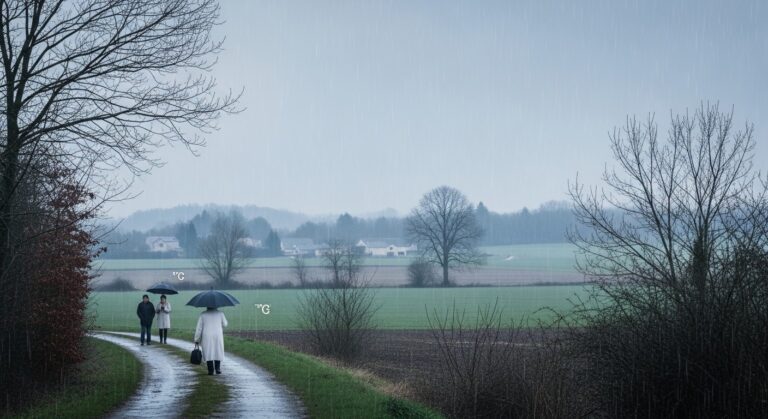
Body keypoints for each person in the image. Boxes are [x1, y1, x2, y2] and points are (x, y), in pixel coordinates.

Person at [194, 307, 228, 375]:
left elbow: (199, 328)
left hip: (207, 335)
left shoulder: (203, 314)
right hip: (218, 335)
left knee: (208, 351)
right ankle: (217, 368)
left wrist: (197, 339)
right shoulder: (220, 313)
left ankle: (210, 370)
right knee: (217, 350)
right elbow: (225, 324)